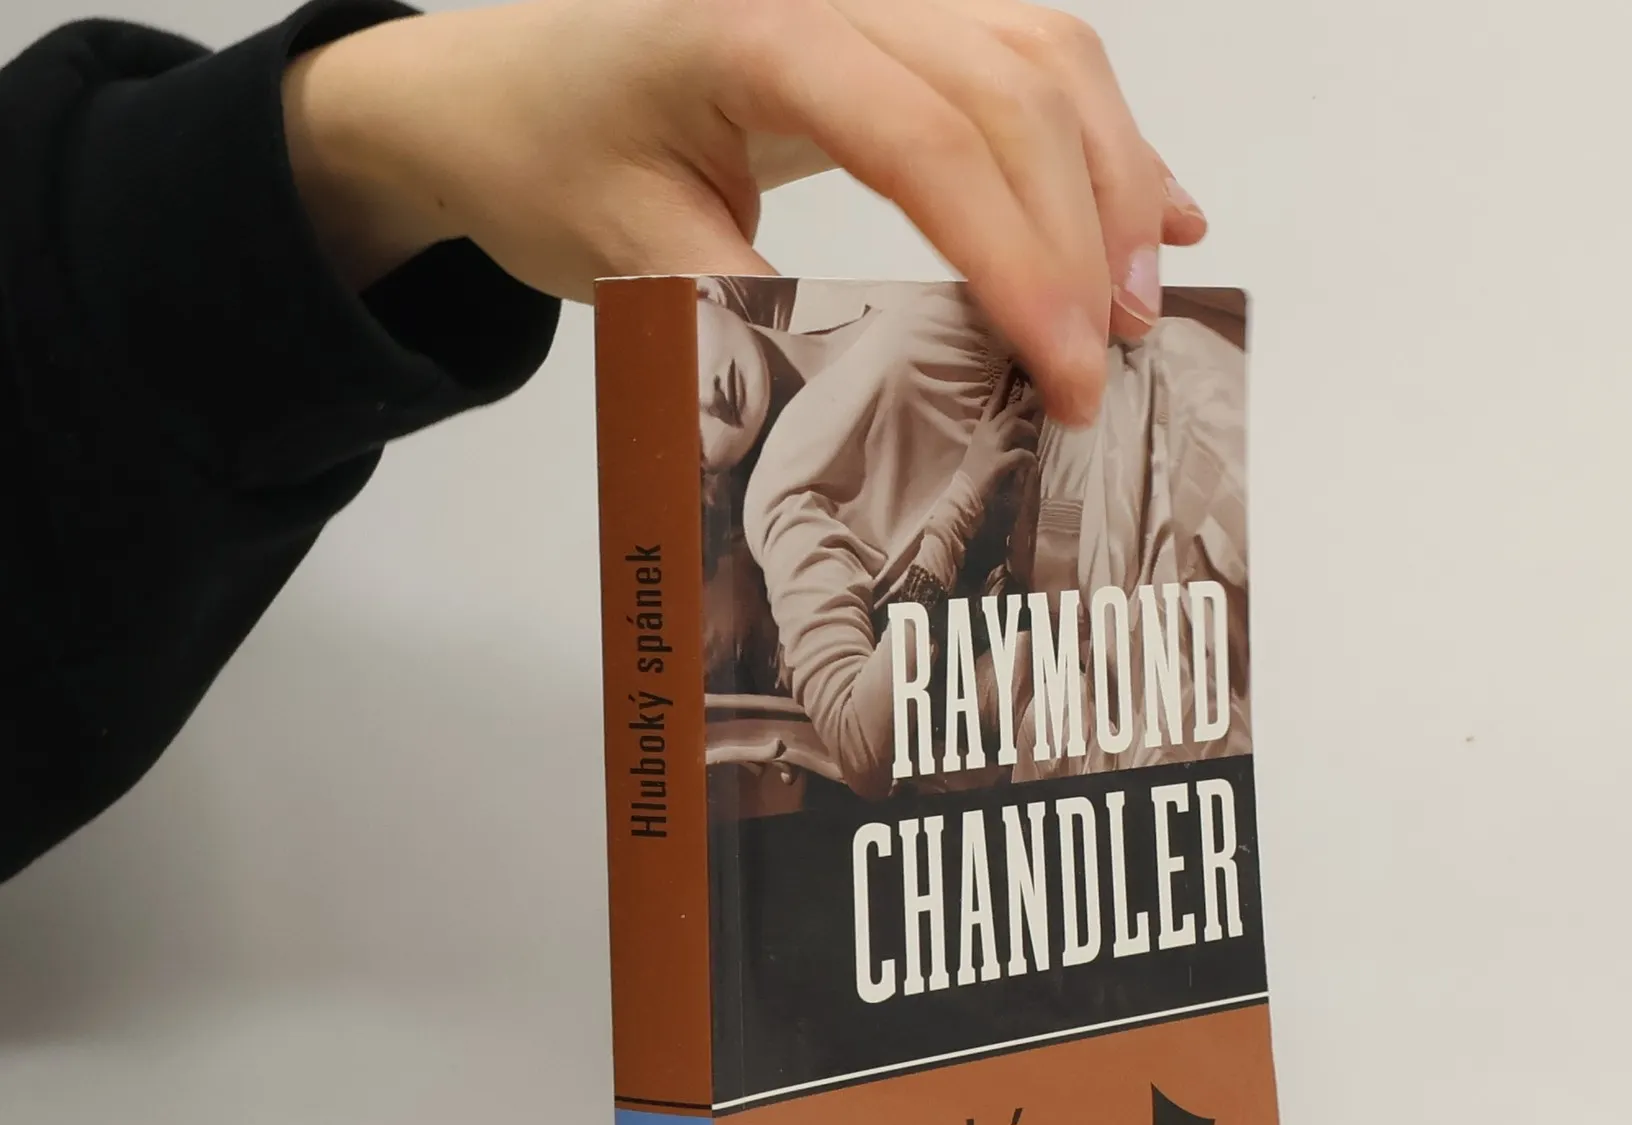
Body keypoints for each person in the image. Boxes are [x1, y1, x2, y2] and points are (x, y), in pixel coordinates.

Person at [0, 0, 1208, 884]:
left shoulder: (874, 359)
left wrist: (356, 143)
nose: (709, 445)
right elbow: (862, 734)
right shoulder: (794, 502)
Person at [694, 280, 1250, 799]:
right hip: (1096, 511)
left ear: (701, 291)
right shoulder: (779, 499)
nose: (707, 402)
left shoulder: (836, 296)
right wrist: (959, 509)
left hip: (1142, 386)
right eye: (685, 439)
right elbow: (860, 748)